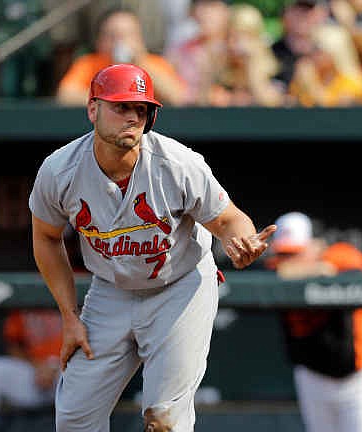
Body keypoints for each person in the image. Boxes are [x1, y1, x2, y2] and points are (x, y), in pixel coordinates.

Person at [29, 63, 277, 432]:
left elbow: (228, 220)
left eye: (140, 109)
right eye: (121, 106)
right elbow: (46, 237)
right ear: (93, 109)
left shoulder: (176, 164)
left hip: (178, 288)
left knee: (165, 420)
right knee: (73, 419)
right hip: (111, 290)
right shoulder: (60, 170)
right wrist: (69, 315)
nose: (132, 117)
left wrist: (241, 239)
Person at [265, 211, 362, 432]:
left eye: (296, 252)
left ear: (315, 245)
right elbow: (264, 275)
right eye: (284, 253)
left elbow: (359, 276)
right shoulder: (274, 269)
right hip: (313, 375)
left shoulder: (340, 255)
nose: (289, 260)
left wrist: (309, 272)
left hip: (360, 374)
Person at [56, 7, 186, 107]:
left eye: (128, 34)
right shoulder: (89, 63)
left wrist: (140, 63)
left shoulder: (154, 63)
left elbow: (177, 97)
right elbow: (66, 96)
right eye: (113, 35)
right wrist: (112, 98)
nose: (121, 41)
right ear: (100, 40)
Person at [0, 309, 62, 432]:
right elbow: (14, 346)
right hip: (34, 371)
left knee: (86, 375)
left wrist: (55, 365)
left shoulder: (79, 297)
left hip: (68, 369)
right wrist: (37, 366)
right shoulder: (25, 299)